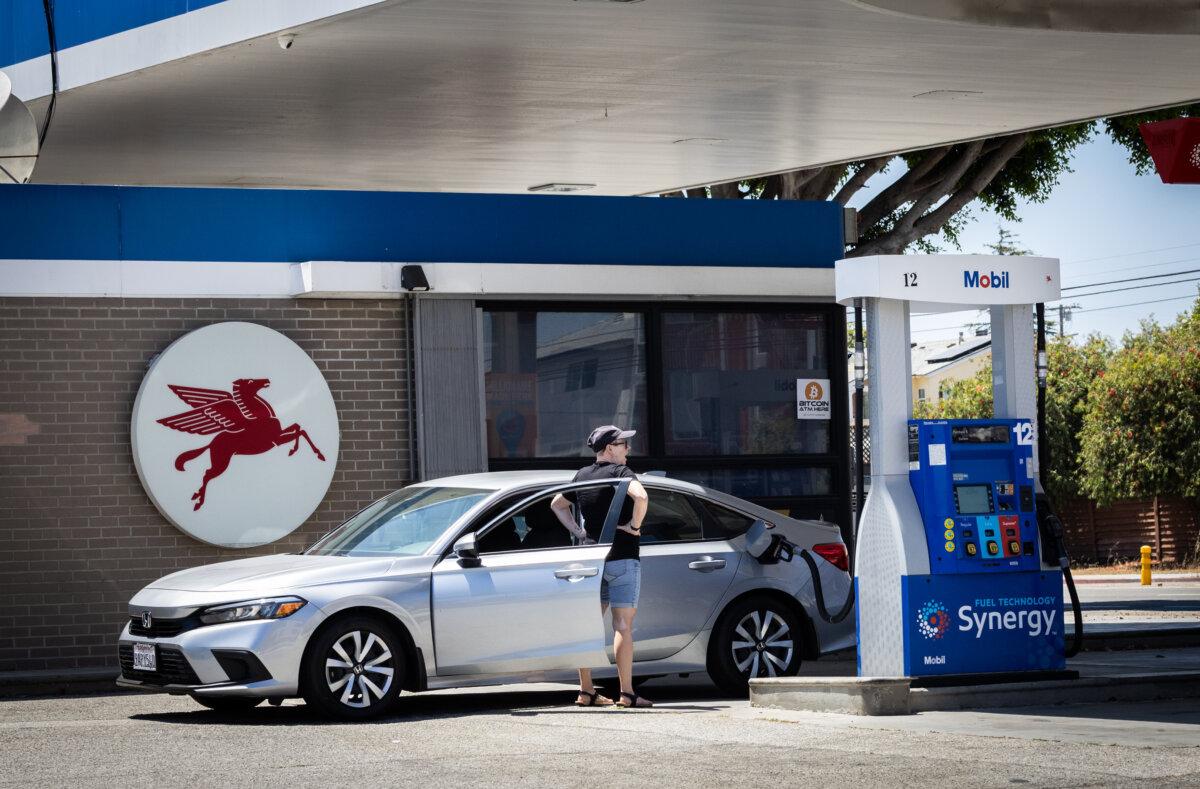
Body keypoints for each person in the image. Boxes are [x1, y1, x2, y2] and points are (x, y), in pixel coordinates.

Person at [550, 424, 651, 709]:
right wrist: (634, 525)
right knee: (622, 626)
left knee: (586, 626)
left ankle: (585, 691)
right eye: (623, 444)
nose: (627, 449)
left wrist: (579, 533)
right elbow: (641, 497)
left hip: (590, 560)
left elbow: (557, 504)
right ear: (609, 448)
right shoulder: (621, 473)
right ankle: (627, 694)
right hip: (622, 556)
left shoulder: (582, 475)